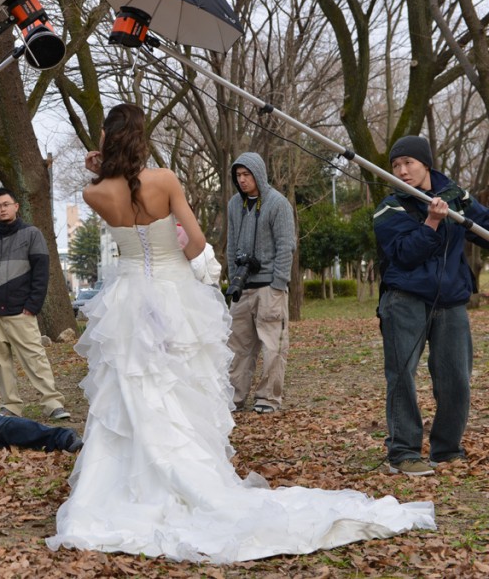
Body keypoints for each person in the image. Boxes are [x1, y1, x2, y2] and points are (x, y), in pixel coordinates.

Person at [46, 103, 434, 562]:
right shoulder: (165, 180)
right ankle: (188, 470)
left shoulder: (95, 195)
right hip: (172, 293)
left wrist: (97, 170)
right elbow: (193, 242)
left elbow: (108, 192)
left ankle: (127, 482)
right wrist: (194, 261)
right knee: (180, 384)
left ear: (107, 141)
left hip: (129, 299)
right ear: (141, 139)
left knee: (131, 385)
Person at [374, 135, 489, 476]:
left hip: (451, 300)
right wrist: (433, 222)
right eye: (396, 165)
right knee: (402, 376)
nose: (402, 171)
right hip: (404, 299)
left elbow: (483, 226)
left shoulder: (455, 196)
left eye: (409, 163)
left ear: (426, 164)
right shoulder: (389, 207)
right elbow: (405, 254)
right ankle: (404, 452)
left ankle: (447, 449)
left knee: (456, 377)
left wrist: (453, 212)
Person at [0, 188, 68, 420]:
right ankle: (11, 406)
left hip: (21, 311)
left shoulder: (32, 234)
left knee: (35, 358)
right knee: (1, 362)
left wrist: (33, 305)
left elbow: (42, 273)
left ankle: (53, 403)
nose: (2, 209)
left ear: (16, 206)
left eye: (6, 204)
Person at [225, 152, 296, 414]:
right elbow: (231, 245)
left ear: (258, 174)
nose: (242, 180)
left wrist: (278, 284)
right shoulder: (235, 204)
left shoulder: (278, 204)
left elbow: (286, 246)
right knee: (237, 346)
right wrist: (235, 279)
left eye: (247, 175)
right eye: (238, 175)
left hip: (270, 287)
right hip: (242, 287)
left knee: (273, 346)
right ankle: (234, 397)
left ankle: (268, 398)